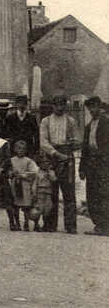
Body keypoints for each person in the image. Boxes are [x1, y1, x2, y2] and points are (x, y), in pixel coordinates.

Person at [39, 94, 79, 233]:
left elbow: (76, 139)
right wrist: (56, 153)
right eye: (57, 105)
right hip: (52, 156)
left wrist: (72, 144)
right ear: (52, 106)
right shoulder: (45, 121)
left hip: (67, 156)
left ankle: (70, 226)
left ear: (65, 105)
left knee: (69, 191)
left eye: (62, 105)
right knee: (51, 191)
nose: (60, 107)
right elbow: (43, 142)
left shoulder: (71, 121)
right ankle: (50, 224)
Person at [79, 96, 109, 236]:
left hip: (103, 164)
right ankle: (98, 225)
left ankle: (106, 225)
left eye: (94, 106)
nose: (92, 110)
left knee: (104, 194)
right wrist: (82, 168)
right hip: (90, 163)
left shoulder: (106, 123)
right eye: (90, 107)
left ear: (100, 106)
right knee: (92, 194)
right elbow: (85, 149)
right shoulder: (88, 126)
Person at [8, 140, 38, 231]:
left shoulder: (29, 161)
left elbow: (34, 172)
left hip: (25, 185)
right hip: (15, 185)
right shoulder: (12, 160)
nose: (20, 151)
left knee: (26, 206)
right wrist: (12, 173)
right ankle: (17, 223)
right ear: (15, 149)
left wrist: (23, 175)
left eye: (23, 149)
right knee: (15, 205)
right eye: (18, 148)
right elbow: (8, 171)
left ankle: (26, 223)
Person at [29, 152, 57, 232]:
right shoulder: (38, 173)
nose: (45, 164)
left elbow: (54, 179)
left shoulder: (51, 172)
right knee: (38, 209)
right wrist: (34, 193)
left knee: (47, 209)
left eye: (47, 162)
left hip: (48, 192)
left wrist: (49, 174)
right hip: (40, 193)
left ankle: (45, 225)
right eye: (42, 162)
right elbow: (35, 184)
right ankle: (36, 224)